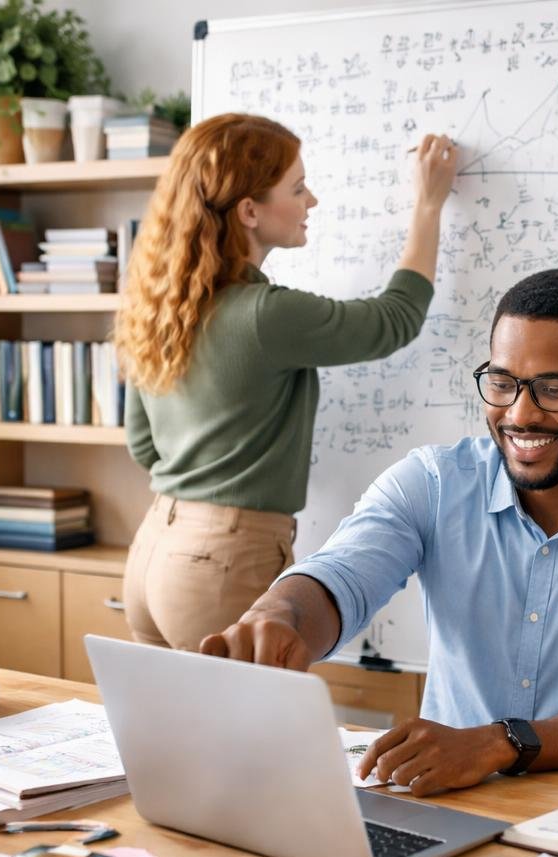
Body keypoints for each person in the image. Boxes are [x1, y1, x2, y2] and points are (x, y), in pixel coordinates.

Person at [200, 268, 558, 795]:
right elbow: (342, 573)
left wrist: (499, 744)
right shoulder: (434, 481)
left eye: (553, 389)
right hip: (448, 801)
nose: (520, 414)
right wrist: (280, 615)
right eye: (502, 383)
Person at [112, 113, 459, 651]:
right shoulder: (263, 315)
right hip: (222, 560)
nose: (311, 201)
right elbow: (394, 320)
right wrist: (430, 204)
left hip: (155, 547)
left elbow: (141, 443)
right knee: (243, 734)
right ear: (249, 211)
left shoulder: (159, 305)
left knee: (173, 733)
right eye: (297, 189)